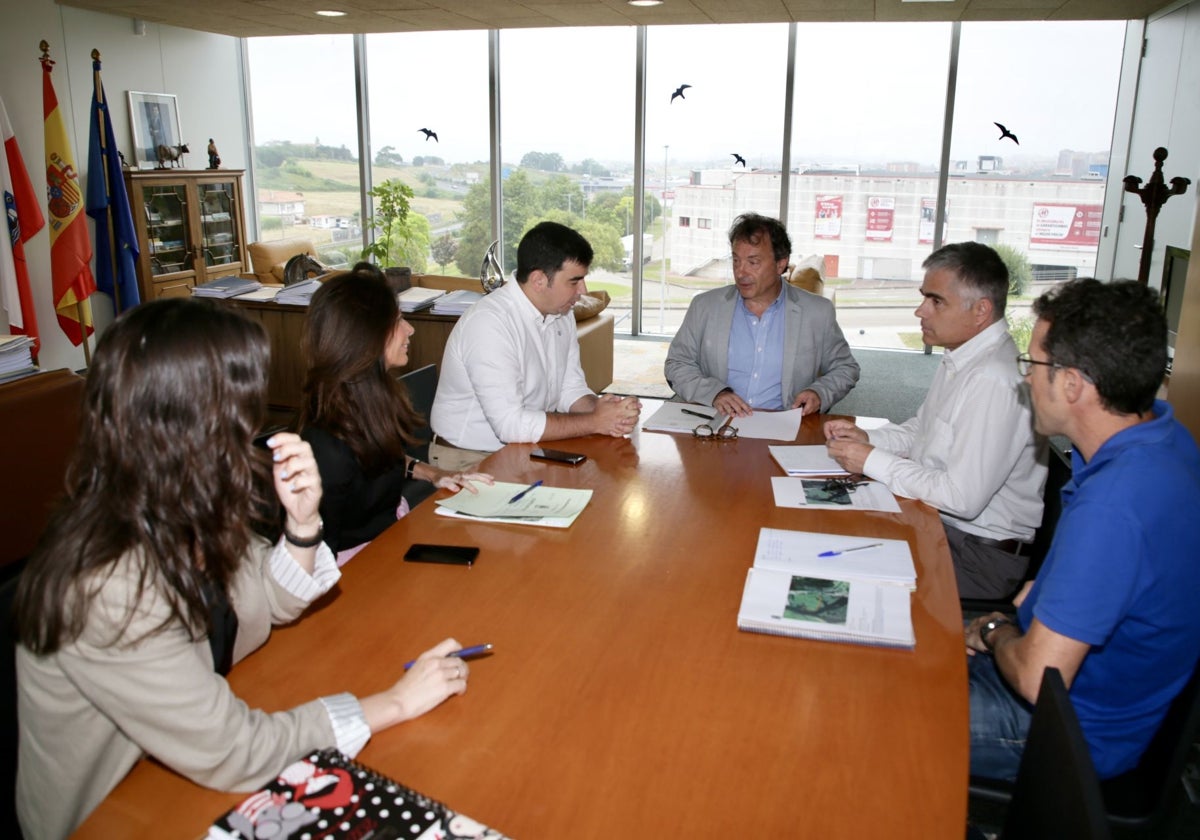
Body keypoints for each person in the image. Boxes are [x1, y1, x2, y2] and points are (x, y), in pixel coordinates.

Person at [13, 298, 471, 839]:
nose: (252, 425)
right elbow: (234, 749)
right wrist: (393, 702)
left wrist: (301, 524)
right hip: (113, 811)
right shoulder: (105, 581)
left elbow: (270, 599)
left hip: (181, 761)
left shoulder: (183, 498)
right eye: (241, 407)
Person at [965, 278, 1200, 782]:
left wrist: (992, 629)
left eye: (1034, 365)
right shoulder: (1164, 438)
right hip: (1091, 695)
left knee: (859, 712)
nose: (1025, 379)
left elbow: (1035, 678)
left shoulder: (1116, 504)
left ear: (1072, 384)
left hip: (1065, 730)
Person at [825, 242, 1046, 599]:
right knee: (829, 536)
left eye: (936, 301)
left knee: (841, 580)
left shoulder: (994, 378)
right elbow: (923, 429)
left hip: (977, 554)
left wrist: (870, 460)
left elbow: (962, 498)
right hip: (943, 526)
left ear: (981, 311)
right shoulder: (964, 355)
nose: (920, 311)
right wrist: (867, 438)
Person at [300, 264, 492, 563]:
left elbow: (375, 455)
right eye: (398, 320)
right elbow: (316, 559)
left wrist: (433, 473)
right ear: (366, 336)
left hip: (391, 536)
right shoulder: (326, 444)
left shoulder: (370, 400)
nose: (410, 329)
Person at [430, 221, 641, 472]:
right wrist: (595, 421)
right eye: (574, 281)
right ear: (539, 280)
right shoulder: (489, 323)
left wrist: (607, 410)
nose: (583, 291)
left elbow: (568, 388)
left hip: (524, 449)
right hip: (469, 458)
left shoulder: (561, 314)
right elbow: (510, 425)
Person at [663, 212, 859, 418]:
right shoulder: (705, 306)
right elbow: (677, 363)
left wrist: (819, 393)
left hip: (784, 427)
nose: (740, 272)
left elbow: (845, 368)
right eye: (736, 261)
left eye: (753, 262)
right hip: (716, 424)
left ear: (780, 264)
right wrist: (714, 393)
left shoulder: (817, 312)